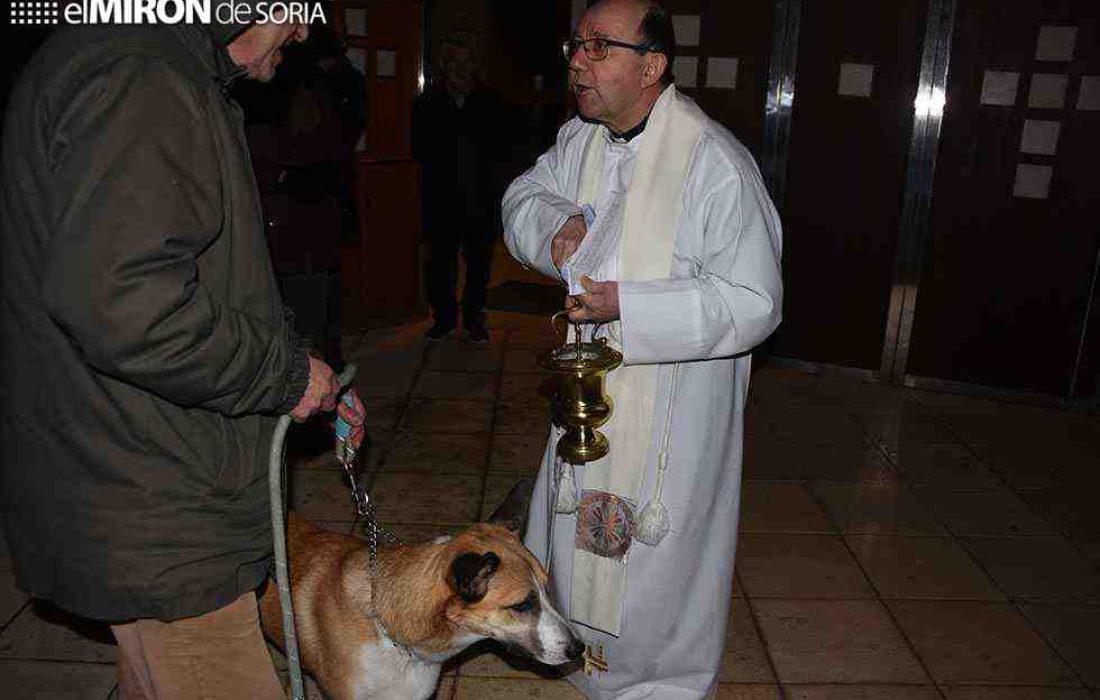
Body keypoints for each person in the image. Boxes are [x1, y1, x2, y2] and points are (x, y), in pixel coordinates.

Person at [0, 16, 366, 699]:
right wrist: (283, 375)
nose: (305, 28)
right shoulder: (142, 75)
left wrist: (301, 364)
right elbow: (127, 304)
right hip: (157, 495)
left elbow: (195, 279)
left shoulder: (141, 59)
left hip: (132, 470)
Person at [502, 1, 783, 698]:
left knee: (658, 564)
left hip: (672, 413)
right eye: (577, 43)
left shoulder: (713, 164)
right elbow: (521, 198)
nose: (577, 61)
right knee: (578, 533)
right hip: (590, 397)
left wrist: (629, 304)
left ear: (652, 65)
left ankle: (662, 688)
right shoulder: (582, 141)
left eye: (600, 47)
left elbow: (755, 300)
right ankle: (589, 670)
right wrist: (557, 221)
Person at [413, 33, 507, 342]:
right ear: (445, 66)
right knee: (439, 265)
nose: (462, 69)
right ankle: (443, 319)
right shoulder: (428, 102)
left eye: (467, 62)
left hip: (481, 200)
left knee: (479, 265)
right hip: (440, 199)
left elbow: (503, 151)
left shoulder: (491, 102)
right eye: (456, 62)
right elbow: (419, 150)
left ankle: (474, 318)